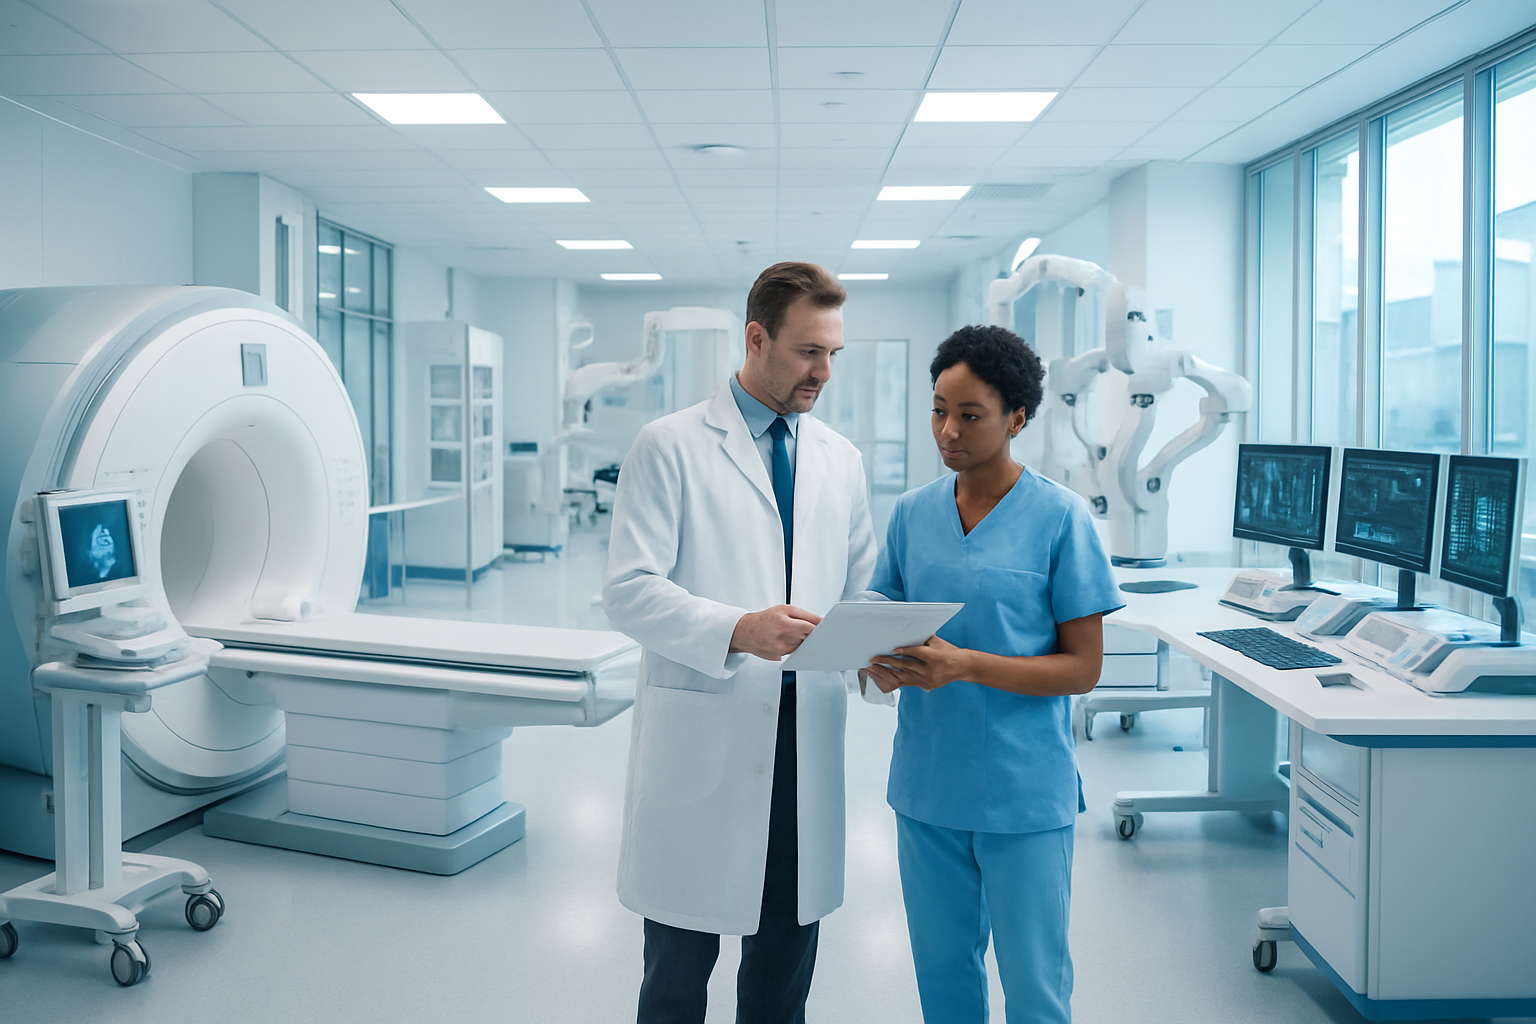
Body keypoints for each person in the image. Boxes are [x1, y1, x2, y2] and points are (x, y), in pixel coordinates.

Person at [603, 262, 877, 1024]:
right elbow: (628, 588)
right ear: (756, 339)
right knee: (677, 977)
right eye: (807, 352)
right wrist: (736, 628)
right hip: (707, 735)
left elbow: (861, 592)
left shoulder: (840, 460)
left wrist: (882, 653)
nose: (824, 372)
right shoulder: (669, 445)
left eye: (834, 355)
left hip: (806, 741)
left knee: (782, 977)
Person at [861, 324, 1124, 1024]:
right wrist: (873, 654)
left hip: (1023, 792)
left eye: (970, 415)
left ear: (1017, 418)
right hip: (927, 785)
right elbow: (884, 609)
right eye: (939, 409)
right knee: (944, 979)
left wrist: (965, 666)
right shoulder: (913, 514)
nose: (947, 430)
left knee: (1035, 988)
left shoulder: (1061, 518)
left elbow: (1083, 668)